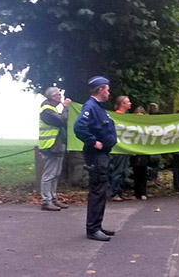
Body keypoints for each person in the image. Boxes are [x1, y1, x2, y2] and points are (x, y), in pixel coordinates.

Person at [73, 76, 117, 242]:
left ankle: (97, 226)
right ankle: (92, 229)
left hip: (102, 155)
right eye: (107, 89)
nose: (109, 92)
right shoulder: (90, 107)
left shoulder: (99, 108)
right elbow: (79, 127)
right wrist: (93, 142)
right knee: (97, 191)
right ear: (100, 90)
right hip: (95, 155)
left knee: (101, 190)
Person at [39, 87, 72, 211]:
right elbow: (63, 120)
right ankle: (46, 201)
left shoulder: (52, 109)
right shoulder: (46, 110)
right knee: (49, 175)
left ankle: (53, 199)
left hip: (57, 145)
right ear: (53, 97)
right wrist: (66, 107)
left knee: (55, 174)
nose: (61, 96)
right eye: (58, 95)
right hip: (50, 146)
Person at [109, 95, 132, 201]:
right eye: (128, 102)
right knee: (118, 170)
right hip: (119, 147)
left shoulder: (125, 117)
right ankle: (115, 193)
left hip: (125, 147)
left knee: (122, 170)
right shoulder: (117, 116)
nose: (130, 103)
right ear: (122, 104)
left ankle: (119, 191)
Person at [130, 106, 149, 200]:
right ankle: (136, 193)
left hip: (144, 151)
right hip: (134, 151)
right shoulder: (131, 125)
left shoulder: (147, 126)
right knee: (136, 172)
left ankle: (143, 192)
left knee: (143, 172)